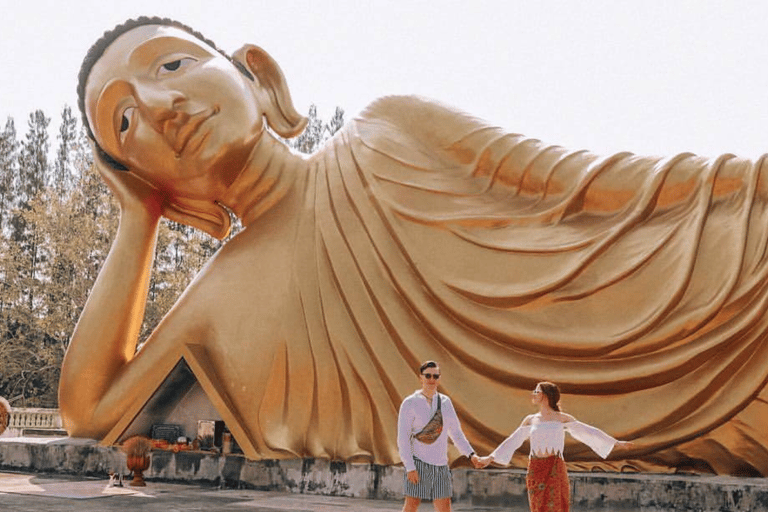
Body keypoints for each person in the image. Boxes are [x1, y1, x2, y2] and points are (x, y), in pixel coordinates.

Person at [60, 15, 768, 475]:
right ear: (157, 186)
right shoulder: (215, 299)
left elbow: (581, 187)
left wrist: (743, 184)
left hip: (663, 296)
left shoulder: (388, 128)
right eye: (125, 122)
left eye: (171, 66)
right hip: (597, 440)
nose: (159, 106)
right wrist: (138, 220)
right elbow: (89, 412)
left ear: (258, 75)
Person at [476, 382, 632, 512]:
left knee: (556, 505)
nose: (533, 394)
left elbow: (588, 432)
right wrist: (491, 458)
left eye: (536, 391)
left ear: (545, 395)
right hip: (535, 469)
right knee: (538, 507)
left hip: (555, 468)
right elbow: (513, 440)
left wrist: (615, 442)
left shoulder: (562, 418)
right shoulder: (530, 420)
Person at [397, 361, 480, 512]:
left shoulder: (445, 402)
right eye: (427, 375)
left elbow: (456, 433)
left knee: (445, 508)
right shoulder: (410, 403)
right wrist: (410, 467)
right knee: (411, 506)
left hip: (441, 465)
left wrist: (471, 455)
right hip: (418, 463)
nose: (431, 379)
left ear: (439, 379)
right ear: (420, 377)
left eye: (435, 376)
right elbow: (403, 439)